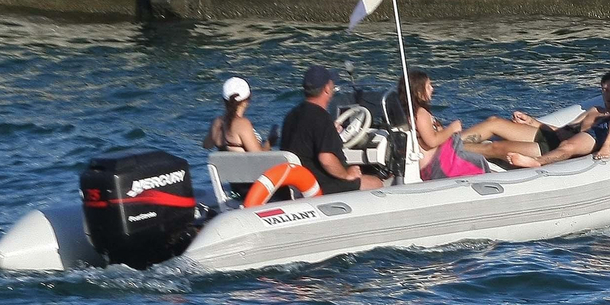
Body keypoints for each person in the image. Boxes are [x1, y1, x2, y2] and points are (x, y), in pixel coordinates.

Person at [506, 71, 610, 169]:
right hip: (601, 131)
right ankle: (537, 161)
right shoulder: (596, 112)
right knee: (567, 145)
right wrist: (532, 122)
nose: (609, 94)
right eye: (605, 90)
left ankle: (609, 143)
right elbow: (562, 132)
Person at [279, 65, 382, 193]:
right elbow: (326, 158)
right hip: (318, 184)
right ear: (327, 89)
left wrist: (332, 133)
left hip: (296, 183)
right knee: (376, 183)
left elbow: (306, 141)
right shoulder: (321, 117)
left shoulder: (292, 115)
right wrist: (346, 174)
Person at [395, 71, 488, 180]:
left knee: (476, 156)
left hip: (437, 160)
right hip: (437, 166)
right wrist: (452, 128)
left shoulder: (414, 112)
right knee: (478, 161)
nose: (432, 89)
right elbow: (431, 141)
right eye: (428, 86)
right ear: (418, 92)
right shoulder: (420, 114)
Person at [203, 76, 268, 152]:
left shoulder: (217, 122)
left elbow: (206, 145)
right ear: (247, 100)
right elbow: (258, 155)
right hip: (243, 160)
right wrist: (270, 141)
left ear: (224, 100)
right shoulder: (242, 124)